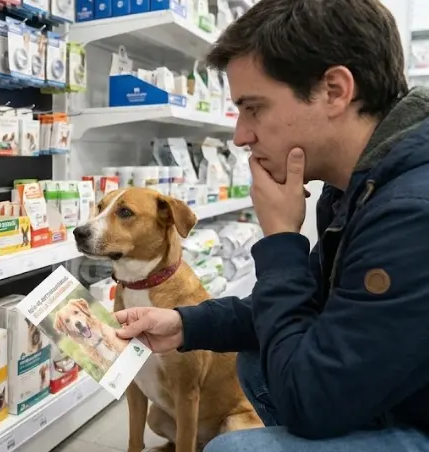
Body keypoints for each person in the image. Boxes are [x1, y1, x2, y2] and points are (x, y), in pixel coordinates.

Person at [113, 0, 429, 451]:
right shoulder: (356, 187)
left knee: (233, 448)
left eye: (253, 108)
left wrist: (282, 238)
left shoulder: (412, 211)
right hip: (397, 389)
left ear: (335, 91)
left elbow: (308, 400)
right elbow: (316, 302)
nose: (241, 135)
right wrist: (186, 324)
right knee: (257, 359)